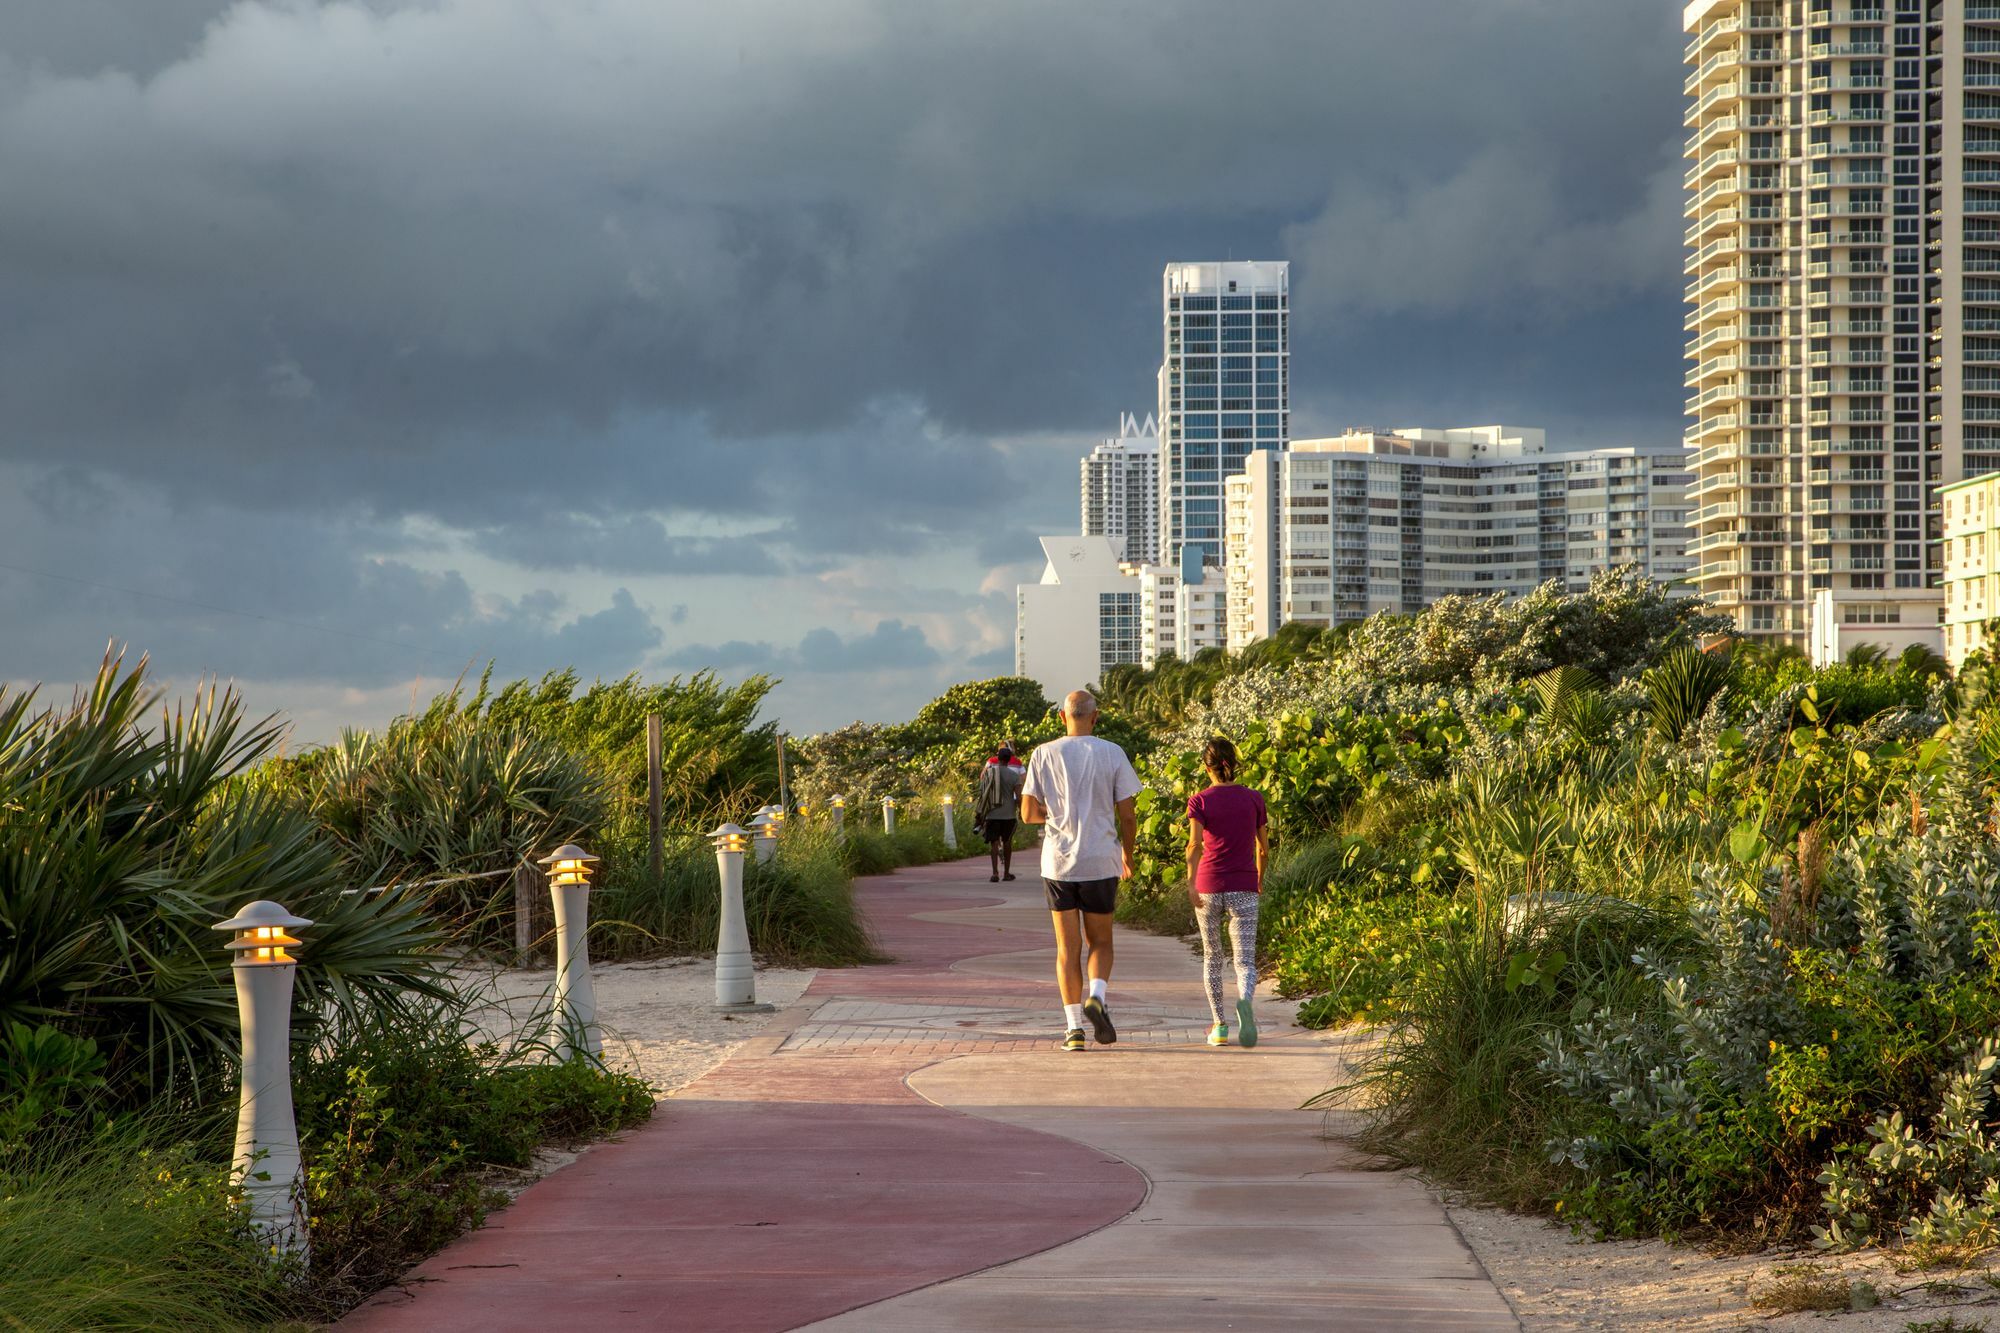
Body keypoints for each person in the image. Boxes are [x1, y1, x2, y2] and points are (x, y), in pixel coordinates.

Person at [1021, 690, 1140, 1052]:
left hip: (1058, 863)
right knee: (1101, 941)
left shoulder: (1043, 753)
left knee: (1066, 948)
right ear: (1096, 717)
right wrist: (1128, 856)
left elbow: (1027, 814)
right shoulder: (1112, 752)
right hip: (1101, 859)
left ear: (1062, 717)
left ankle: (1073, 1029)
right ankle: (1098, 996)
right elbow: (1128, 814)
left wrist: (1054, 817)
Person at [1184, 736, 1268, 1048]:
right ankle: (1245, 1000)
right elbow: (1264, 849)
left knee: (1212, 956)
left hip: (1208, 886)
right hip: (1244, 884)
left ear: (1207, 768)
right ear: (1233, 764)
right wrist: (1259, 879)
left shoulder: (1199, 801)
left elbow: (1194, 845)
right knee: (1245, 960)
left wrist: (1191, 882)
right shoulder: (1254, 799)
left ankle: (1219, 1027)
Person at [974, 744, 1025, 882]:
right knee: (1007, 842)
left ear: (998, 758)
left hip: (992, 813)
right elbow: (1019, 797)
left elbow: (983, 791)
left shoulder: (990, 773)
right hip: (1009, 814)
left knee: (994, 843)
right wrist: (1021, 811)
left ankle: (995, 873)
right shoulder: (1014, 776)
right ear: (1009, 759)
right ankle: (1006, 873)